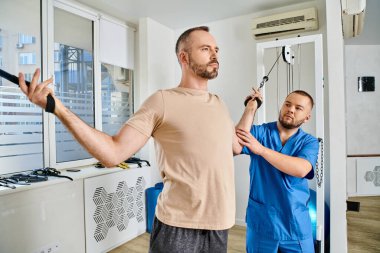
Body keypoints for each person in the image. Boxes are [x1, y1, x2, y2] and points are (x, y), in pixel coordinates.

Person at [18, 26, 243, 253]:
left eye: (216, 49)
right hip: (179, 226)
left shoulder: (219, 104)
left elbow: (232, 147)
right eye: (205, 49)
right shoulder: (162, 101)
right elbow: (113, 153)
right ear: (183, 57)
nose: (214, 55)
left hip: (219, 225)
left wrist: (251, 108)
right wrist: (58, 109)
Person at [236, 90, 319, 253]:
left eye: (298, 108)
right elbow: (236, 142)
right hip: (262, 223)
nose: (291, 109)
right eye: (287, 104)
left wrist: (261, 150)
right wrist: (251, 107)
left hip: (295, 225)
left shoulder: (309, 142)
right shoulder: (261, 132)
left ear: (307, 117)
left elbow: (301, 169)